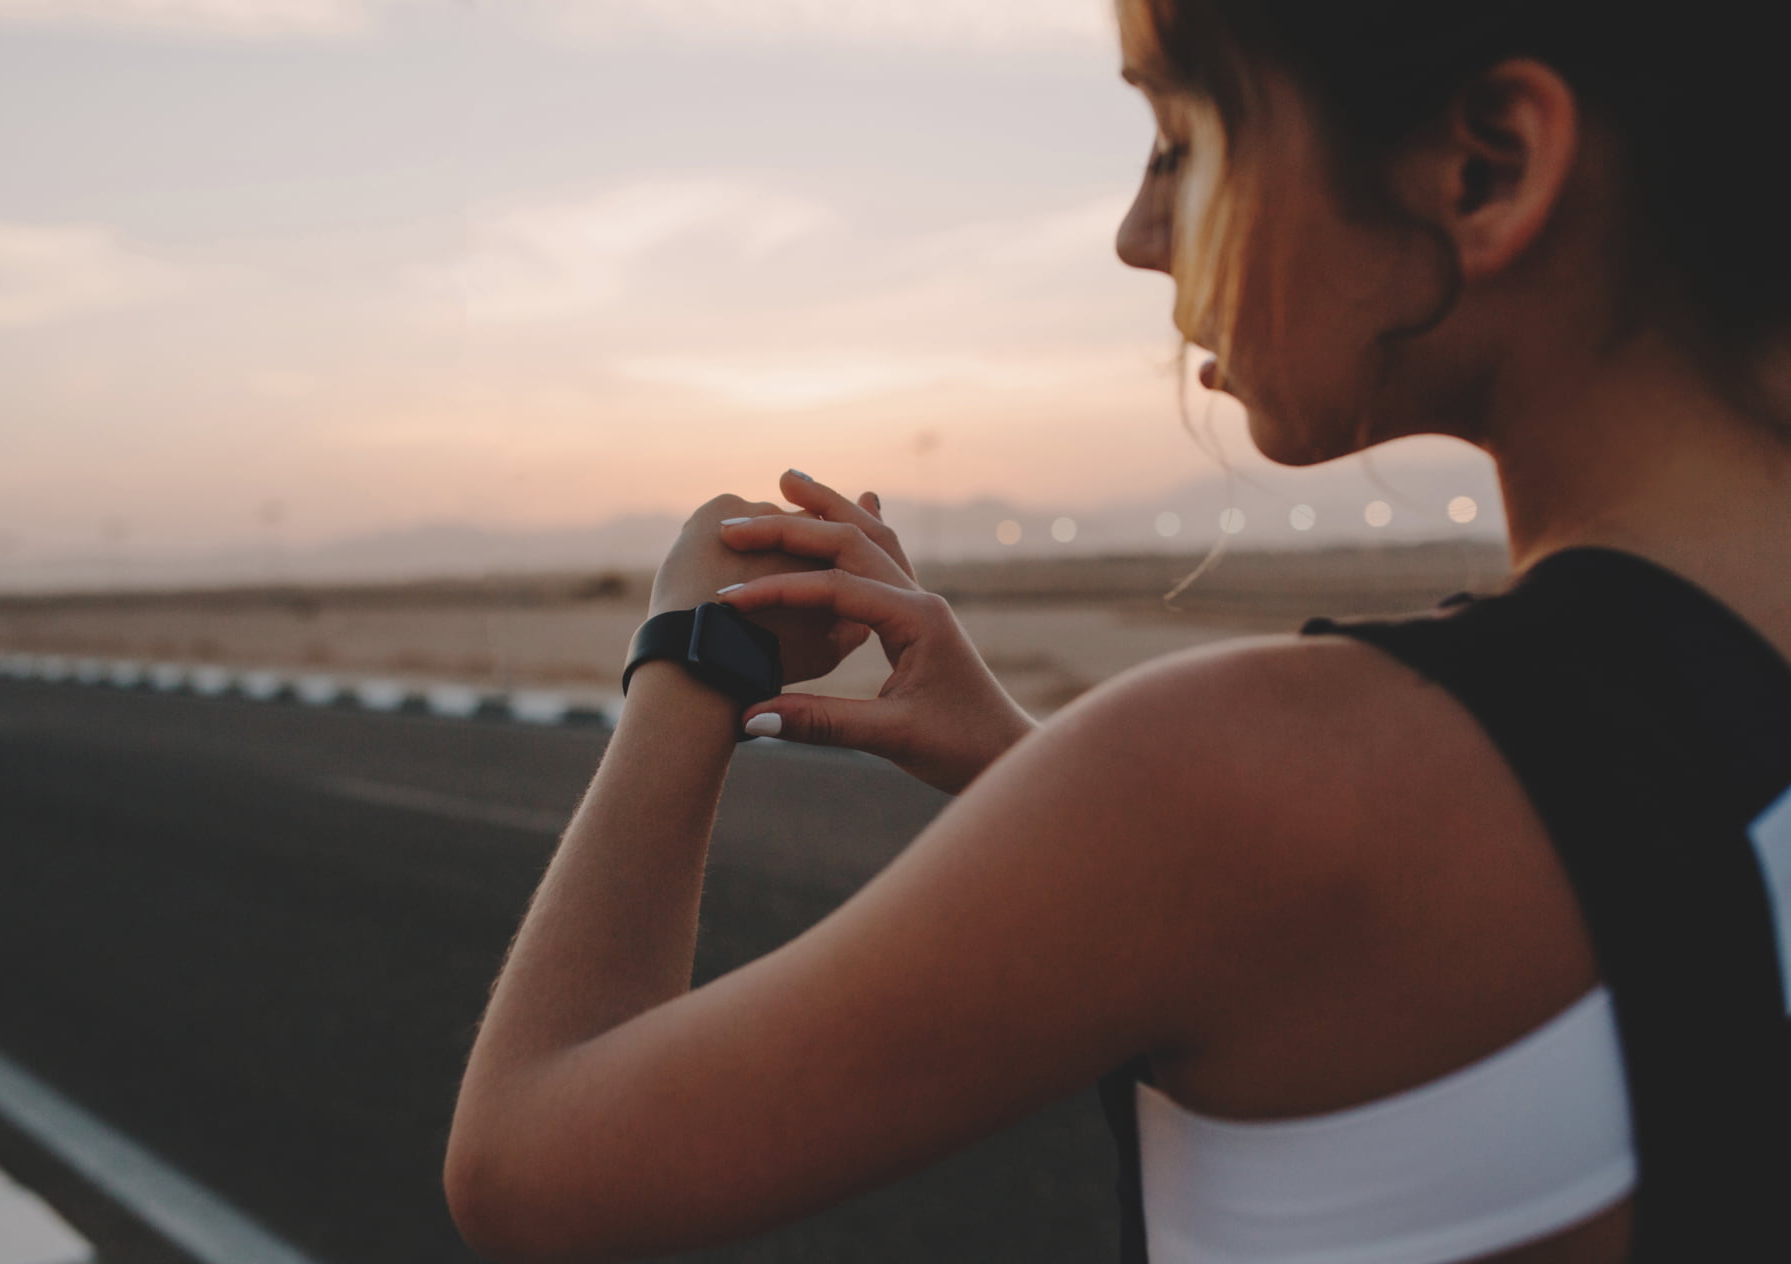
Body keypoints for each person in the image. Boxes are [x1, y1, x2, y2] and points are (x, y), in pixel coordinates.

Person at [445, 2, 1791, 1260]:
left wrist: (700, 648)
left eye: (1184, 139)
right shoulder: (1303, 817)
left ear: (1486, 169)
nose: (1140, 235)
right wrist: (1023, 767)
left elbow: (528, 1168)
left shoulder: (1251, 778)